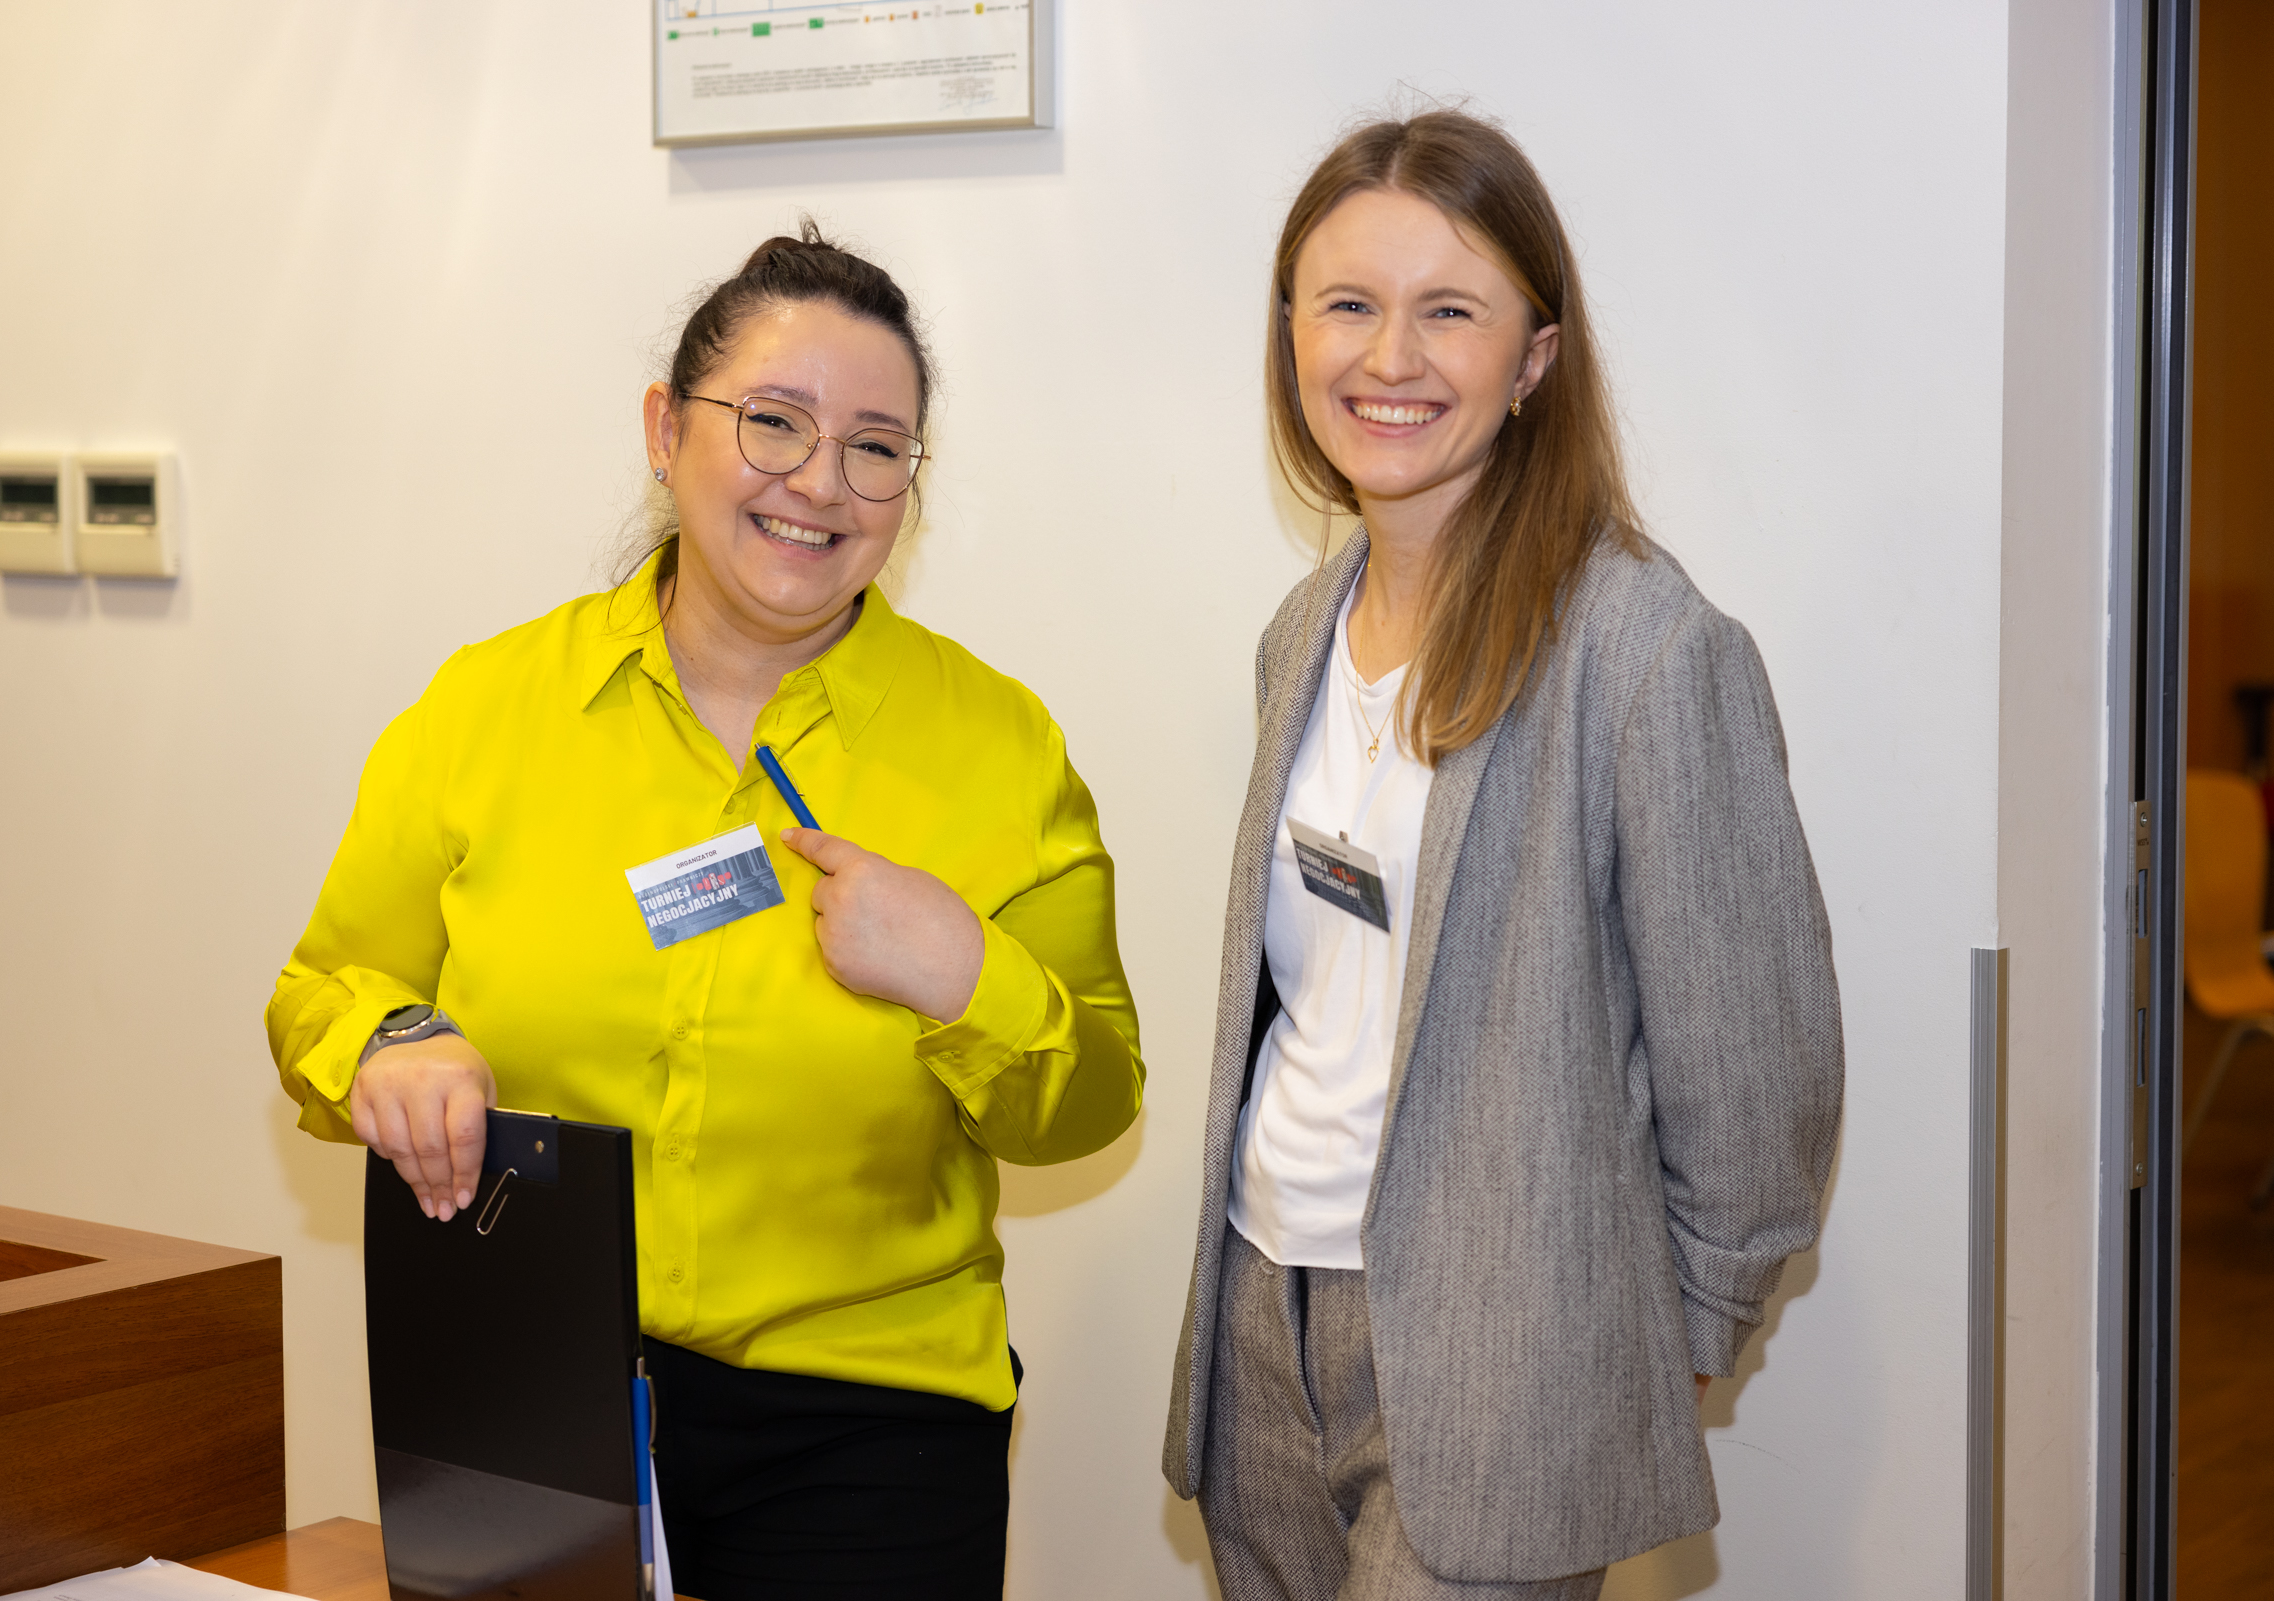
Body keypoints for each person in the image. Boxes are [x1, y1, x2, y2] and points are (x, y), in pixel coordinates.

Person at [268, 224, 1145, 1601]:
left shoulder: (999, 746)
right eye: (774, 422)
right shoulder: (487, 707)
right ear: (665, 431)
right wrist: (397, 1037)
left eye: (876, 446)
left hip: (871, 1424)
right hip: (525, 1384)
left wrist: (965, 972)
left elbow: (1092, 1100)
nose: (822, 482)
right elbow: (324, 991)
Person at [1162, 111, 1845, 1599]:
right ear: (1291, 334)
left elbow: (1758, 1081)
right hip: (1263, 1315)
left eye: (1450, 311)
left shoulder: (1646, 650)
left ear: (1534, 358)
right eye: (1348, 303)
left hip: (1504, 1356)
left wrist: (1646, 1348)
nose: (1388, 357)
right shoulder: (1300, 633)